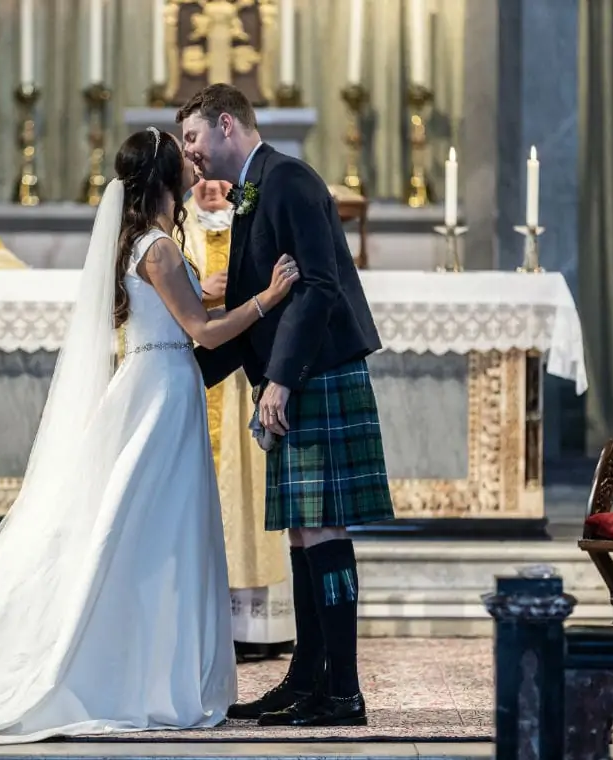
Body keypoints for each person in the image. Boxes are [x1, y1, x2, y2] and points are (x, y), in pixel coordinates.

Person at [0, 127, 300, 747]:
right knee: (159, 531)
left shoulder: (141, 243)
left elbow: (193, 295)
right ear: (170, 179)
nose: (195, 170)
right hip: (166, 392)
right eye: (185, 163)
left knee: (148, 528)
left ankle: (147, 665)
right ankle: (146, 674)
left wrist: (236, 283)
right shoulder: (160, 250)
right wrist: (270, 298)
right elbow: (203, 330)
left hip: (152, 382)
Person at [179, 83, 396, 728]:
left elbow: (321, 286)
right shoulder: (255, 186)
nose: (188, 152)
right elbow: (258, 299)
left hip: (318, 374)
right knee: (305, 530)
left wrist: (281, 380)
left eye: (192, 137)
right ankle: (308, 677)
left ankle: (345, 691)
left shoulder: (289, 179)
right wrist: (182, 375)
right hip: (297, 377)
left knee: (324, 527)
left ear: (225, 124)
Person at [181, 178, 295, 661]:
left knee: (249, 494)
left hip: (246, 376)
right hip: (200, 371)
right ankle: (204, 621)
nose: (209, 187)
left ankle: (257, 627)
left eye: (219, 180)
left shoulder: (256, 222)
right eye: (200, 177)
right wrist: (200, 289)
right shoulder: (176, 228)